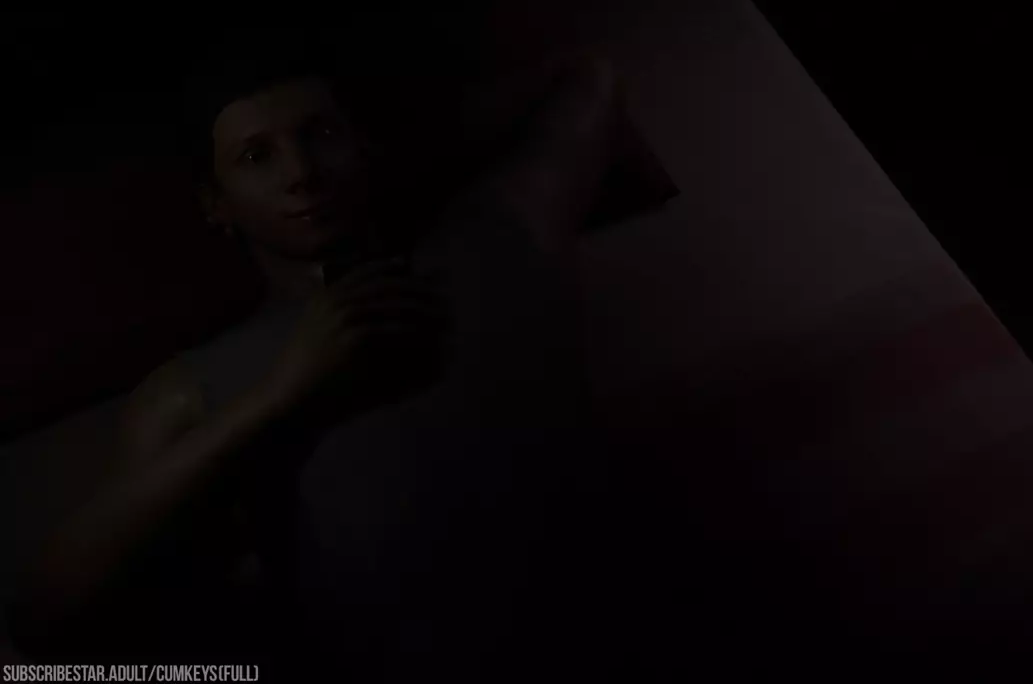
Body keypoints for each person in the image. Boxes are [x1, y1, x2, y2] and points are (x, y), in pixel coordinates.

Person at [8, 42, 621, 679]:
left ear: (364, 144)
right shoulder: (191, 389)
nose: (301, 172)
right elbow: (44, 619)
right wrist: (285, 391)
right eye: (257, 156)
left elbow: (588, 76)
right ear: (216, 203)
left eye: (320, 135)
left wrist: (402, 137)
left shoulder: (497, 233)